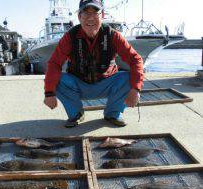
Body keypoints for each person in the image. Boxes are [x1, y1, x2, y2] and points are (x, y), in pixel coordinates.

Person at [44, 0, 144, 128]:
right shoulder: (69, 37)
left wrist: (136, 89)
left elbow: (135, 60)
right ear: (79, 17)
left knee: (130, 77)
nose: (90, 18)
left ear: (102, 16)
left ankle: (112, 113)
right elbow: (54, 64)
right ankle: (76, 113)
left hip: (105, 83)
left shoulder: (113, 35)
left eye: (95, 13)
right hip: (79, 84)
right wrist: (49, 93)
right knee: (57, 79)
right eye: (85, 13)